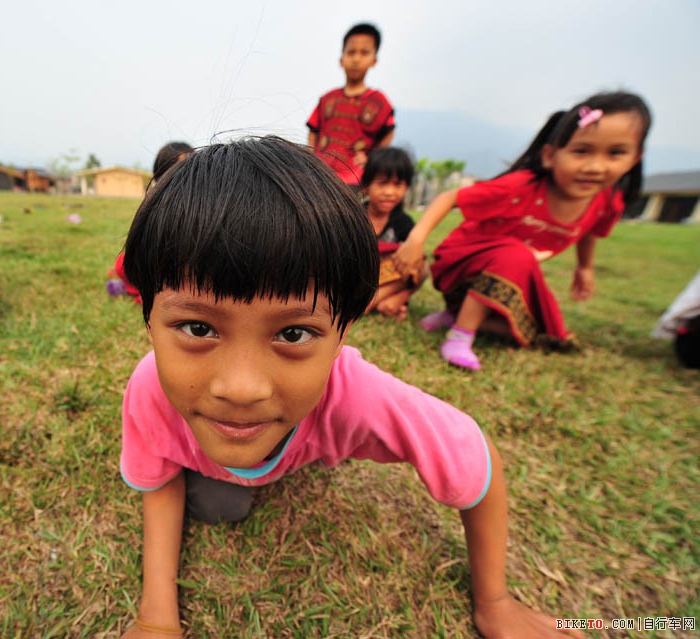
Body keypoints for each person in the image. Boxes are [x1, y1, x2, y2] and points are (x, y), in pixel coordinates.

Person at [117, 137, 581, 639]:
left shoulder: (356, 395)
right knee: (220, 506)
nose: (241, 388)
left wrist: (495, 602)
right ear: (148, 321)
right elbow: (160, 482)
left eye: (293, 333)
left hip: (314, 436)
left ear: (342, 336)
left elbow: (477, 459)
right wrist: (156, 618)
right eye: (198, 328)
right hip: (225, 475)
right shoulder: (149, 390)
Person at [394, 91, 651, 371]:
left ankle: (457, 316)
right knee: (515, 254)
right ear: (550, 155)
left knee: (543, 334)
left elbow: (589, 231)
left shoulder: (607, 201)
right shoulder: (522, 187)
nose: (595, 166)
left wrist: (584, 268)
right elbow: (450, 198)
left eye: (616, 153)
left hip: (514, 271)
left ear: (636, 157)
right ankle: (460, 336)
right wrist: (415, 241)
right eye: (582, 151)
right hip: (460, 264)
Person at [306, 23, 396, 187]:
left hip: (355, 179)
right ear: (341, 59)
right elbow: (313, 130)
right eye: (351, 52)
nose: (356, 59)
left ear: (374, 60)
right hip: (320, 175)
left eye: (364, 53)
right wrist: (311, 159)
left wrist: (372, 160)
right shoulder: (327, 99)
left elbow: (388, 132)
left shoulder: (379, 102)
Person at [108, 142, 193, 304]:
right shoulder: (155, 202)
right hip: (156, 264)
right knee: (123, 264)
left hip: (183, 267)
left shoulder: (202, 202)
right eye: (178, 167)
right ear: (161, 173)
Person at [361, 147, 426, 319]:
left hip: (385, 282)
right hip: (355, 279)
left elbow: (414, 268)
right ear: (367, 186)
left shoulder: (404, 223)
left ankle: (372, 302)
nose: (390, 192)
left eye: (397, 185)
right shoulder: (354, 216)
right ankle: (373, 302)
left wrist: (401, 297)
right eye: (382, 183)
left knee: (421, 264)